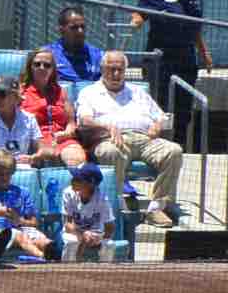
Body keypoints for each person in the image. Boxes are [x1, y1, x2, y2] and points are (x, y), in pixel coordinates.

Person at [76, 50, 182, 227]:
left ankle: (156, 208)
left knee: (174, 151)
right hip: (110, 139)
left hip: (144, 138)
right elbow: (84, 121)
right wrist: (107, 127)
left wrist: (158, 125)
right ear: (102, 69)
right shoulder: (90, 92)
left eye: (120, 69)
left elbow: (162, 116)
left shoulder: (137, 91)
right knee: (110, 152)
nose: (116, 74)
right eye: (111, 69)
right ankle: (117, 206)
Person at [130, 0, 212, 145]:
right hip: (162, 61)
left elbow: (194, 27)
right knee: (161, 106)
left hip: (186, 59)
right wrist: (135, 22)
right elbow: (140, 12)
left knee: (184, 109)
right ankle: (158, 146)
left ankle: (178, 146)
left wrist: (204, 52)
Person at [19, 47, 86, 169]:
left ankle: (77, 181)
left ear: (53, 69)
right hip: (34, 141)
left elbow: (71, 123)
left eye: (47, 65)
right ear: (30, 67)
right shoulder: (21, 92)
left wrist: (66, 133)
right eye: (37, 64)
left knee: (76, 158)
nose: (42, 68)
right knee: (46, 154)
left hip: (62, 140)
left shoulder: (61, 92)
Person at [60, 162, 116, 262]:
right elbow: (67, 224)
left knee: (109, 245)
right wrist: (82, 235)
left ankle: (105, 270)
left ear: (90, 184)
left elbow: (110, 227)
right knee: (71, 242)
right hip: (74, 232)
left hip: (95, 235)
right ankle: (67, 269)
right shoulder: (68, 193)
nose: (72, 180)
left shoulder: (102, 199)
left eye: (78, 179)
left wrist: (99, 238)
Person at [51, 7, 103, 87]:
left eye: (82, 27)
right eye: (74, 27)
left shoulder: (98, 56)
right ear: (61, 30)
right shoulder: (49, 56)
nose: (80, 31)